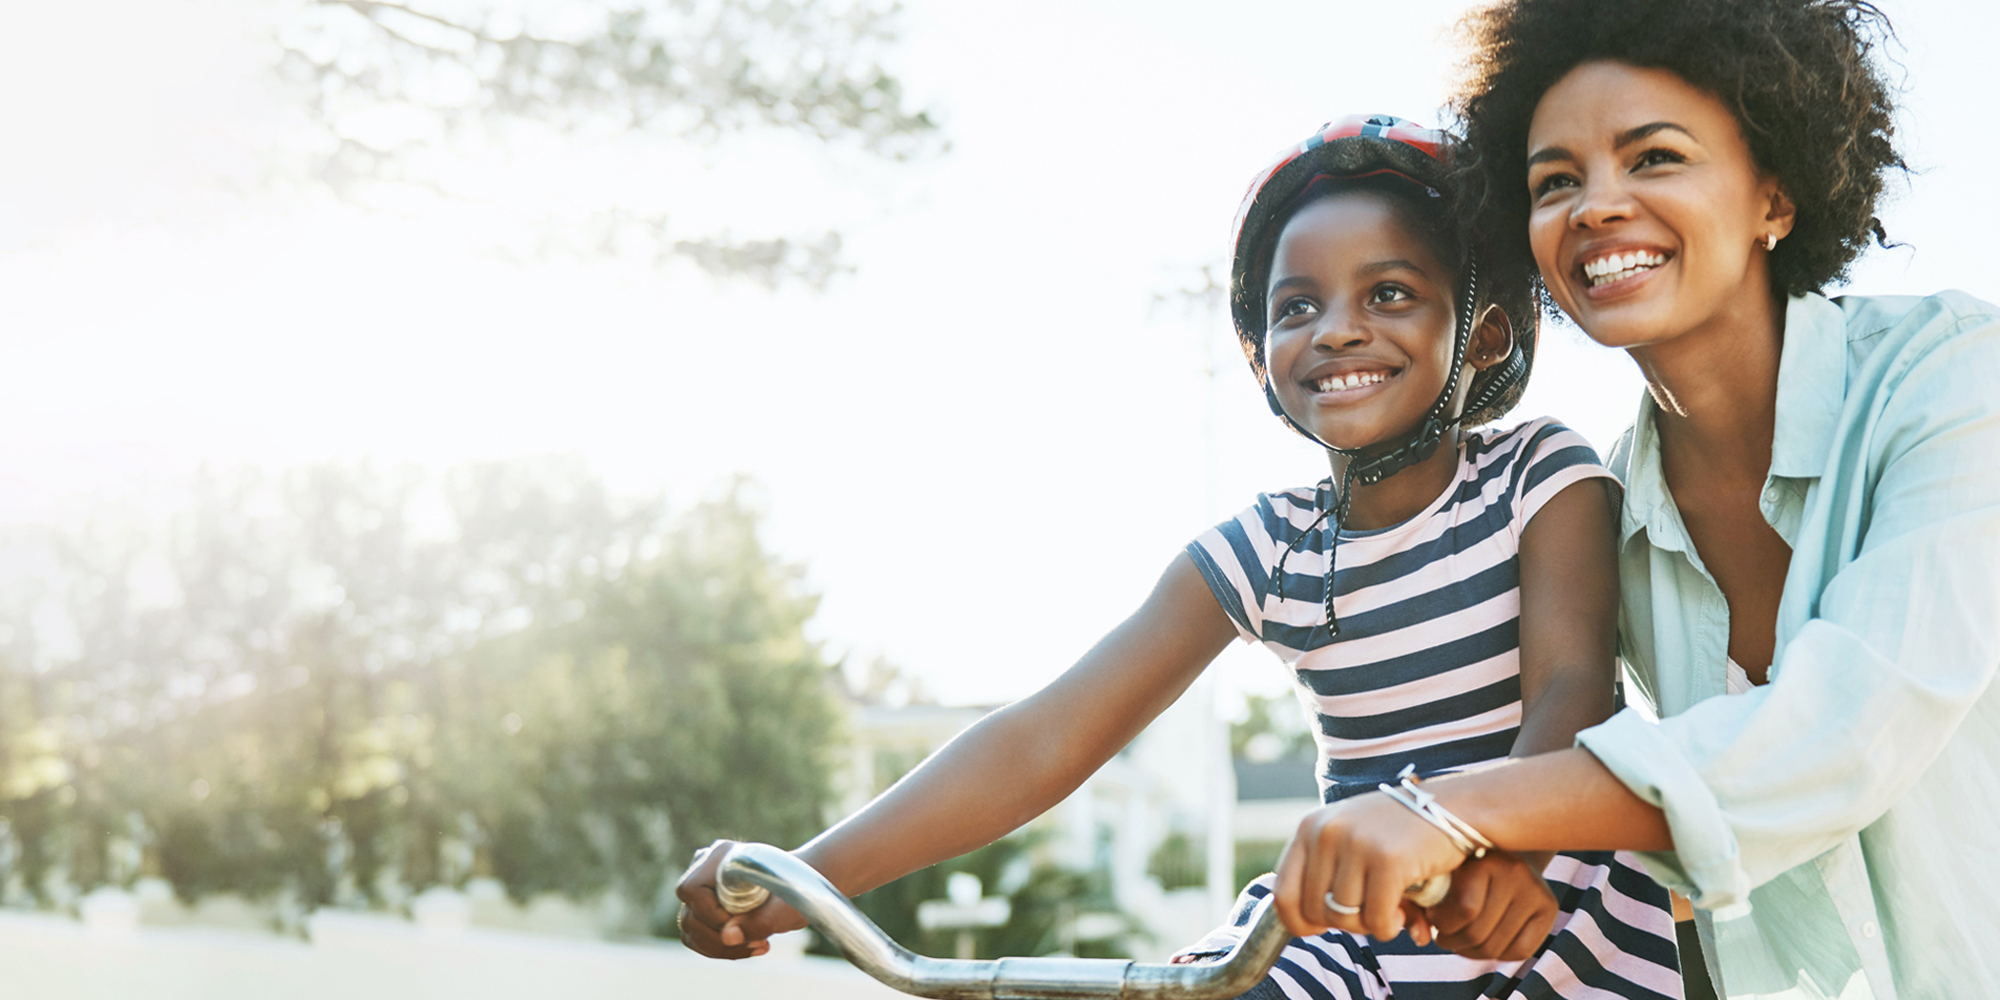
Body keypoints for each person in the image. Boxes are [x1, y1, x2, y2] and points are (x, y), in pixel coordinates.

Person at [675, 115, 1679, 999]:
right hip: (1354, 941)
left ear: (1482, 333)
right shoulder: (1265, 548)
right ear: (1258, 352)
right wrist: (802, 879)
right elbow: (1046, 738)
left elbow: (1572, 682)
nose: (1336, 330)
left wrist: (1502, 841)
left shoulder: (1536, 475)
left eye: (1388, 293)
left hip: (1548, 912)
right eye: (1295, 308)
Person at [1254, 3, 2000, 999]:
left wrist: (1447, 811)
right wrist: (1509, 864)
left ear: (1771, 196)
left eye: (1651, 158)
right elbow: (1676, 807)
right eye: (1553, 181)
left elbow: (1839, 736)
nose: (1595, 205)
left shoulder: (1952, 382)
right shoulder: (1615, 507)